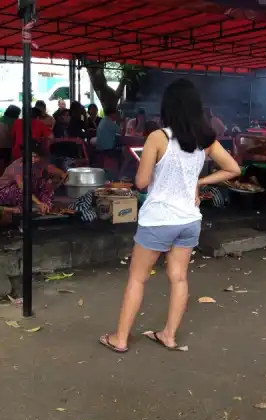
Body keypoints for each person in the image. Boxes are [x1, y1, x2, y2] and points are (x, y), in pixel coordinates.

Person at [99, 79, 241, 354]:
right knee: (179, 277)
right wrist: (198, 183)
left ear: (168, 107)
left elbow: (140, 183)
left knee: (138, 279)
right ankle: (169, 335)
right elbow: (233, 168)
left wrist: (154, 172)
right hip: (189, 220)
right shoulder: (205, 140)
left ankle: (120, 338)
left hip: (158, 219)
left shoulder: (157, 138)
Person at [0, 144, 67, 215]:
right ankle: (19, 210)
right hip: (1, 193)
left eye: (36, 157)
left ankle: (46, 207)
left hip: (25, 191)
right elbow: (23, 187)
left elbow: (49, 168)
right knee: (21, 188)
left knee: (46, 183)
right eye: (32, 156)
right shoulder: (19, 166)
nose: (33, 159)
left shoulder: (38, 163)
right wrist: (38, 203)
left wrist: (63, 174)